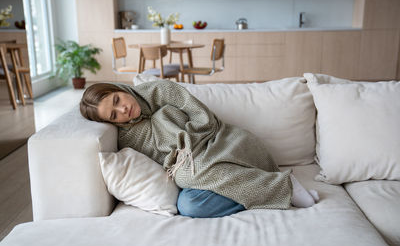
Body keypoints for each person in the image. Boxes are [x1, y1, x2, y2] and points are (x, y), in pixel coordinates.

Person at [80, 80, 319, 218]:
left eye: (117, 100)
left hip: (222, 143)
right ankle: (273, 186)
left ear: (119, 89)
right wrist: (181, 160)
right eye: (114, 115)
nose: (123, 110)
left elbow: (204, 118)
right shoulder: (128, 138)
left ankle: (281, 189)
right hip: (199, 173)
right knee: (189, 205)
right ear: (111, 123)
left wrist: (188, 149)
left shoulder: (160, 91)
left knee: (186, 174)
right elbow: (165, 164)